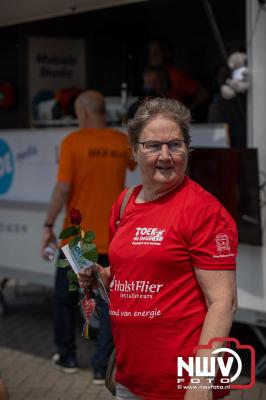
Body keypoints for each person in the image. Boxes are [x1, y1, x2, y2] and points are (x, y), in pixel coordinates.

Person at [78, 97, 238, 400]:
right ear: (134, 151)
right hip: (130, 376)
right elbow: (134, 271)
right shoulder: (124, 203)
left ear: (187, 149)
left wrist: (202, 379)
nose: (165, 155)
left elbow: (223, 301)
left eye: (175, 145)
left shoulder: (204, 211)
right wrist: (102, 275)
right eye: (153, 145)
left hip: (181, 383)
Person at [41, 90, 135, 382]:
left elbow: (63, 189)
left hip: (79, 242)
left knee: (65, 298)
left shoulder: (73, 142)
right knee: (108, 304)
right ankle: (100, 367)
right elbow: (134, 167)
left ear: (82, 112)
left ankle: (67, 356)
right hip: (112, 237)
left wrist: (47, 224)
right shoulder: (121, 141)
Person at [148, 39, 210, 121]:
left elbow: (204, 94)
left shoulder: (176, 75)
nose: (153, 55)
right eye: (150, 52)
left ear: (167, 53)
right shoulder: (147, 75)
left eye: (157, 51)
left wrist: (186, 110)